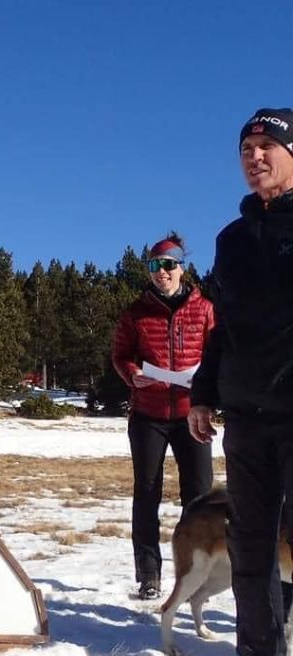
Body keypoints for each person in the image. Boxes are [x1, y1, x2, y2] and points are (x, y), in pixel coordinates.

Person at [189, 108, 293, 656]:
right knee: (249, 547)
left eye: (269, 145)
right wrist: (204, 393)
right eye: (246, 147)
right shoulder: (231, 238)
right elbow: (220, 327)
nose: (256, 156)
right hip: (247, 415)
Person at [111, 234, 215, 600]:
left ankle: (196, 571)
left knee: (200, 496)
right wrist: (131, 373)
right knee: (147, 492)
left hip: (192, 415)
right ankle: (149, 575)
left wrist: (210, 394)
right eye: (155, 266)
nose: (162, 273)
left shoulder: (204, 309)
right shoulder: (135, 312)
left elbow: (216, 354)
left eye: (169, 265)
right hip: (148, 416)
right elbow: (121, 354)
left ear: (181, 268)